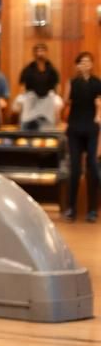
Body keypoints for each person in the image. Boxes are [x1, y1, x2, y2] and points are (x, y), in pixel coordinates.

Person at [62, 52, 101, 222]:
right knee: (75, 168)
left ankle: (92, 210)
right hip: (75, 127)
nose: (85, 64)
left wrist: (98, 113)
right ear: (77, 65)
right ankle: (71, 208)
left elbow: (100, 104)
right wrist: (66, 90)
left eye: (88, 62)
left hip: (91, 127)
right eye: (82, 62)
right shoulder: (72, 82)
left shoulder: (97, 83)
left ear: (92, 65)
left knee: (92, 167)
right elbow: (64, 102)